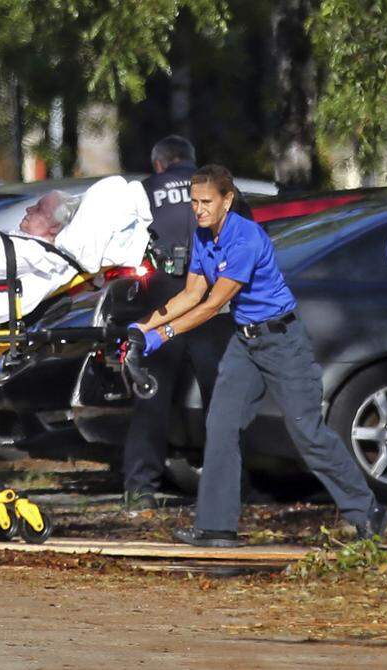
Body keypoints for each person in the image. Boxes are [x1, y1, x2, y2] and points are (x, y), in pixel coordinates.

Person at [131, 164, 387, 547]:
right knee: (220, 425)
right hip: (245, 342)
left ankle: (369, 513)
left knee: (307, 433)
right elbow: (190, 294)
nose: (198, 210)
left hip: (282, 340)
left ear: (227, 200)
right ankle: (217, 527)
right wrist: (142, 327)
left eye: (206, 202)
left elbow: (213, 304)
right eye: (194, 202)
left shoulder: (246, 238)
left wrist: (164, 334)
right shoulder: (203, 237)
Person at [122, 137, 250, 510]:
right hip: (214, 304)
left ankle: (139, 491)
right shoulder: (222, 192)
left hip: (162, 302)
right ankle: (232, 490)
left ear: (159, 164)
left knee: (152, 400)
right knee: (222, 404)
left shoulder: (143, 192)